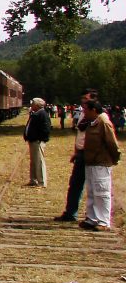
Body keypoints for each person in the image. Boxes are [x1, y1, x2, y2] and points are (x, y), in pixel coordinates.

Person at [54, 88, 101, 222]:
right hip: (81, 153)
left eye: (86, 99)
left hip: (91, 154)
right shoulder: (82, 113)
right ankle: (71, 213)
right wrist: (76, 151)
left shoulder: (98, 116)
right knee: (75, 184)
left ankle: (93, 216)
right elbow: (80, 135)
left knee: (93, 186)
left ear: (94, 99)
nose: (83, 101)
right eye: (82, 99)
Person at [79, 99, 120, 232]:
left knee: (102, 193)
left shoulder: (103, 122)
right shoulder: (92, 122)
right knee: (91, 192)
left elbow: (112, 143)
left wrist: (113, 159)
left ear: (94, 110)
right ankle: (92, 218)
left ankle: (103, 221)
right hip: (91, 162)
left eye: (86, 110)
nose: (83, 112)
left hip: (101, 163)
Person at [23, 97, 51, 187]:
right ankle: (33, 180)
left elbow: (46, 129)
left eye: (33, 103)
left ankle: (42, 182)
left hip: (37, 141)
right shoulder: (36, 113)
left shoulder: (42, 114)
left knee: (39, 161)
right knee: (34, 161)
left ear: (37, 105)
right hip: (33, 140)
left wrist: (40, 138)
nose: (31, 105)